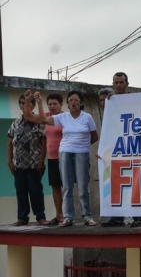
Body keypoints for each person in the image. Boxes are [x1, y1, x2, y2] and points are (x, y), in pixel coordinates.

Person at [24, 90, 98, 227]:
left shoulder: (87, 117)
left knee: (82, 187)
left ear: (81, 103)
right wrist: (39, 102)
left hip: (81, 153)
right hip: (64, 152)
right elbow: (42, 119)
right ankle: (68, 217)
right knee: (67, 187)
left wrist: (82, 145)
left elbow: (94, 136)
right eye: (71, 100)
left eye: (76, 100)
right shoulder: (63, 117)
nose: (73, 102)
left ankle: (87, 216)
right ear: (68, 104)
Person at [101, 72, 141, 227]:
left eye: (121, 82)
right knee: (117, 182)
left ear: (127, 83)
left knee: (135, 182)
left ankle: (138, 217)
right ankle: (117, 217)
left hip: (134, 147)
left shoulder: (135, 100)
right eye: (116, 82)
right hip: (116, 148)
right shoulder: (111, 101)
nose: (119, 85)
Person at [7, 94, 49, 226]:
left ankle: (40, 216)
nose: (23, 106)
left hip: (34, 164)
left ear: (32, 106)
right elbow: (9, 143)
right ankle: (22, 217)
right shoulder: (15, 123)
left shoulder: (39, 122)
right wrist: (9, 161)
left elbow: (44, 143)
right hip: (19, 165)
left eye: (26, 103)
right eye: (21, 103)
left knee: (36, 191)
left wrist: (42, 161)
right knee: (21, 191)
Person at [44, 93, 64, 225]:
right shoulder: (46, 117)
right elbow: (30, 116)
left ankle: (70, 214)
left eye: (54, 104)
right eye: (50, 104)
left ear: (61, 104)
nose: (52, 106)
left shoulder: (66, 117)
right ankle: (59, 215)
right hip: (51, 158)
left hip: (65, 157)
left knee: (67, 186)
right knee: (55, 186)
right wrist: (35, 101)